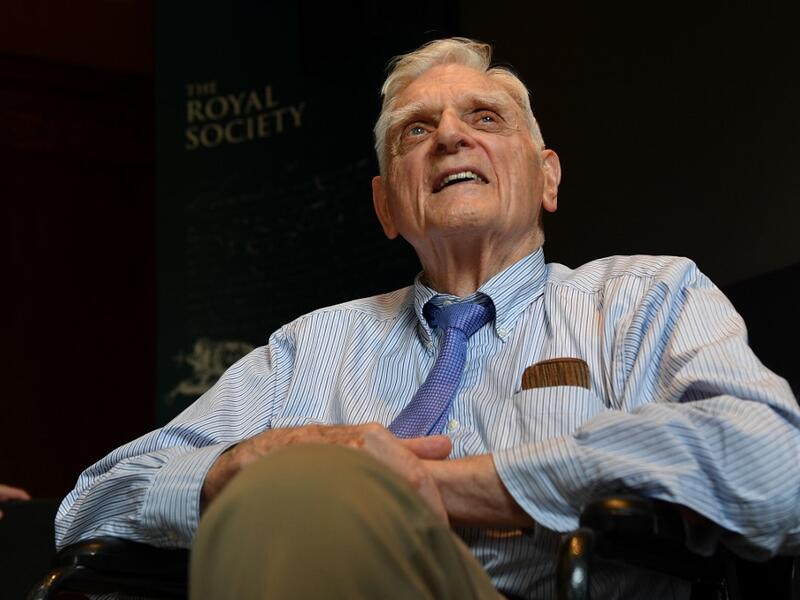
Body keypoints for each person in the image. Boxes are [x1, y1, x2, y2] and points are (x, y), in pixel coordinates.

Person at [56, 38, 800, 599]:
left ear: (547, 178)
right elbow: (88, 504)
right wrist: (228, 471)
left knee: (302, 492)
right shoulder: (310, 347)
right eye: (416, 130)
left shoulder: (641, 297)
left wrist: (435, 484)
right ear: (386, 208)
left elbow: (773, 462)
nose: (448, 137)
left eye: (484, 117)